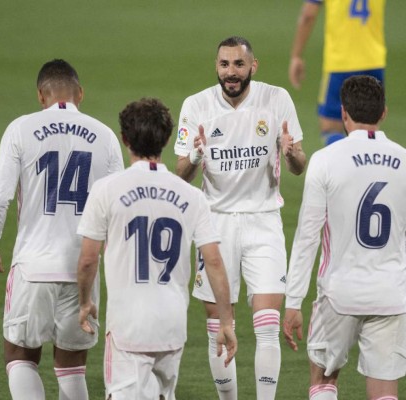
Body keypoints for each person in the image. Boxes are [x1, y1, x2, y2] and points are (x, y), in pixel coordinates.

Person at [0, 59, 124, 400]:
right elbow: (117, 208)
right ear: (80, 94)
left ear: (41, 96)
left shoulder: (21, 129)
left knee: (20, 356)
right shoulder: (104, 136)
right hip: (82, 270)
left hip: (33, 266)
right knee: (72, 367)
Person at [77, 98, 237, 400]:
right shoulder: (191, 196)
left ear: (124, 139)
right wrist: (226, 321)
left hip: (128, 325)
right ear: (166, 139)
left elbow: (87, 260)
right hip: (172, 323)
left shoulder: (107, 190)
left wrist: (84, 302)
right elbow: (213, 261)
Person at [174, 36, 307, 399]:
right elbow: (180, 172)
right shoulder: (197, 105)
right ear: (216, 67)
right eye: (224, 65)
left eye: (238, 64)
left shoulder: (276, 99)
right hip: (215, 224)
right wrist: (197, 158)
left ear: (253, 66)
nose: (231, 73)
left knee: (267, 324)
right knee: (219, 321)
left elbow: (298, 165)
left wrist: (290, 152)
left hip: (264, 220)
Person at [283, 75, 406, 400]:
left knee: (323, 379)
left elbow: (308, 236)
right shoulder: (405, 161)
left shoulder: (326, 160)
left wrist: (293, 301)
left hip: (339, 295)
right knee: (384, 392)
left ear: (344, 114)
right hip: (391, 295)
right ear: (383, 114)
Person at [288, 0, 386, 146]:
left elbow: (308, 15)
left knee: (330, 127)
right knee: (369, 127)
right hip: (374, 61)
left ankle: (344, 166)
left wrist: (296, 56)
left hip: (341, 63)